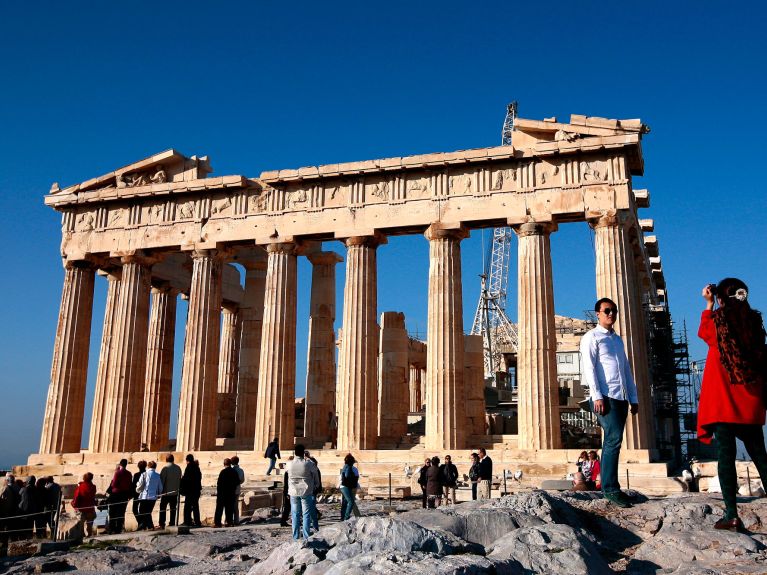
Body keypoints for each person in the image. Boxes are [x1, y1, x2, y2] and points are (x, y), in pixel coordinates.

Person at [697, 279, 767, 531]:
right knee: (761, 456)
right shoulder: (753, 323)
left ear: (721, 298)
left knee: (725, 456)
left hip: (724, 400)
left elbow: (703, 333)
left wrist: (708, 303)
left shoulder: (717, 321)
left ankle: (731, 514)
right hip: (750, 398)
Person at [580, 297, 639, 508]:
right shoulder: (591, 337)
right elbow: (590, 368)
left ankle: (612, 485)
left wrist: (634, 398)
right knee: (613, 440)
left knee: (615, 441)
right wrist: (596, 395)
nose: (611, 314)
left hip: (621, 396)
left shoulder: (617, 339)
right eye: (607, 310)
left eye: (614, 310)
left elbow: (625, 370)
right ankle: (610, 489)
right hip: (604, 396)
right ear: (598, 313)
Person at [286, 444, 320, 540]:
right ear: (303, 453)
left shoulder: (289, 464)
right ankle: (306, 536)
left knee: (295, 514)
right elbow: (315, 473)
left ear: (294, 452)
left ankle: (295, 537)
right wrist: (316, 484)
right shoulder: (308, 464)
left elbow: (286, 472)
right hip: (306, 491)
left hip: (293, 491)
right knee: (306, 514)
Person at [136, 461, 163, 530]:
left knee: (142, 511)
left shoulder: (144, 474)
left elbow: (139, 484)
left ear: (148, 466)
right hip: (153, 497)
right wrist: (159, 494)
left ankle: (149, 526)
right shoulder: (157, 475)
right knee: (148, 512)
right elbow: (160, 487)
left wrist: (137, 488)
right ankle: (145, 526)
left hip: (144, 496)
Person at [108, 459, 133, 533]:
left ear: (120, 464)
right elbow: (130, 484)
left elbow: (114, 484)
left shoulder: (117, 473)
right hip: (124, 494)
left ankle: (111, 528)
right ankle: (118, 529)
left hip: (116, 494)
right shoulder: (129, 473)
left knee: (112, 512)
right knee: (121, 512)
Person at [214, 458, 239, 528]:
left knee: (219, 509)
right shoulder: (234, 472)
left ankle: (217, 523)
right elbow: (237, 482)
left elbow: (219, 483)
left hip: (222, 493)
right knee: (229, 509)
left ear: (224, 464)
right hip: (231, 493)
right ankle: (229, 522)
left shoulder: (223, 472)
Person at [159, 454, 182, 529]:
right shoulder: (178, 468)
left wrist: (160, 492)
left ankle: (162, 523)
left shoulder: (165, 468)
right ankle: (172, 522)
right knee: (173, 509)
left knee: (163, 508)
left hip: (166, 493)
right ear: (173, 459)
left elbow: (162, 481)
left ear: (166, 459)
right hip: (175, 492)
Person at [180, 455, 202, 527]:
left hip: (190, 490)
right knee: (195, 506)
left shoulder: (189, 467)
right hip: (196, 490)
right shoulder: (197, 468)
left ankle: (187, 521)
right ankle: (197, 522)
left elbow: (186, 479)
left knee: (187, 507)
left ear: (187, 460)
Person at [339, 453, 359, 521]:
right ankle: (346, 517)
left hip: (344, 486)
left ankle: (342, 517)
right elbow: (348, 476)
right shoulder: (350, 468)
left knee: (345, 502)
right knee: (351, 502)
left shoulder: (345, 466)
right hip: (346, 486)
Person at [305, 451, 322, 531]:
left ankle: (314, 527)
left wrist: (316, 487)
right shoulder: (309, 467)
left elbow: (317, 481)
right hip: (308, 490)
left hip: (311, 491)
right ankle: (311, 527)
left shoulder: (314, 468)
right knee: (309, 509)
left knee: (310, 509)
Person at [131, 461, 147, 527]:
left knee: (135, 509)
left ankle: (141, 523)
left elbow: (133, 485)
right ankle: (142, 523)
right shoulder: (147, 474)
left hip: (137, 494)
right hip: (144, 494)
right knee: (142, 510)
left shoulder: (136, 475)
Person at [231, 456, 245, 525]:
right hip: (238, 489)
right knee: (236, 506)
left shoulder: (232, 470)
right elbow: (242, 480)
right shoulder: (241, 470)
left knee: (230, 506)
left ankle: (229, 520)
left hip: (231, 489)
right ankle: (236, 521)